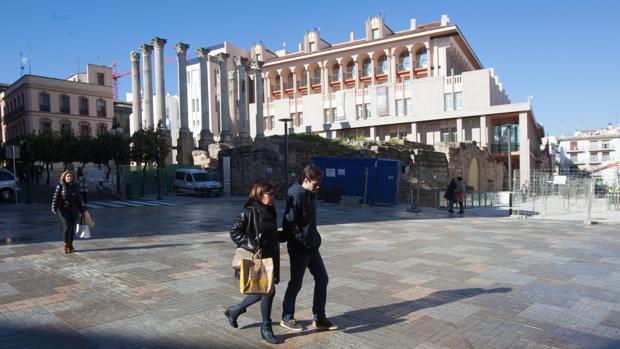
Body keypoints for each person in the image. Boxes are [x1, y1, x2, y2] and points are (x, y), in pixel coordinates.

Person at [280, 164, 337, 332]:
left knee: (322, 278)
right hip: (299, 249)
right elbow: (289, 225)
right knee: (296, 283)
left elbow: (309, 222)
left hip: (312, 247)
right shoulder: (295, 194)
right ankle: (287, 316)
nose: (318, 187)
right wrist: (304, 240)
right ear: (306, 180)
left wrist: (315, 238)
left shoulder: (310, 193)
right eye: (315, 183)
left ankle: (319, 318)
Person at [225, 182, 283, 345]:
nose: (271, 197)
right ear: (259, 194)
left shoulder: (269, 211)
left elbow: (269, 234)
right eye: (268, 194)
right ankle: (265, 328)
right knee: (267, 291)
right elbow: (234, 231)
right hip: (257, 258)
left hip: (269, 257)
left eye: (273, 194)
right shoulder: (249, 211)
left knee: (264, 291)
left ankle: (235, 310)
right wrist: (253, 245)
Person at [51, 170, 86, 253]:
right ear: (64, 177)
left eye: (71, 176)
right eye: (67, 176)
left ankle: (70, 244)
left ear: (73, 178)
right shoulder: (60, 186)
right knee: (67, 227)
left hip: (73, 210)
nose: (69, 178)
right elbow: (55, 198)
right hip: (63, 210)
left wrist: (82, 210)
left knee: (72, 227)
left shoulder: (76, 186)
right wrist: (54, 208)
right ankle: (66, 244)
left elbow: (78, 199)